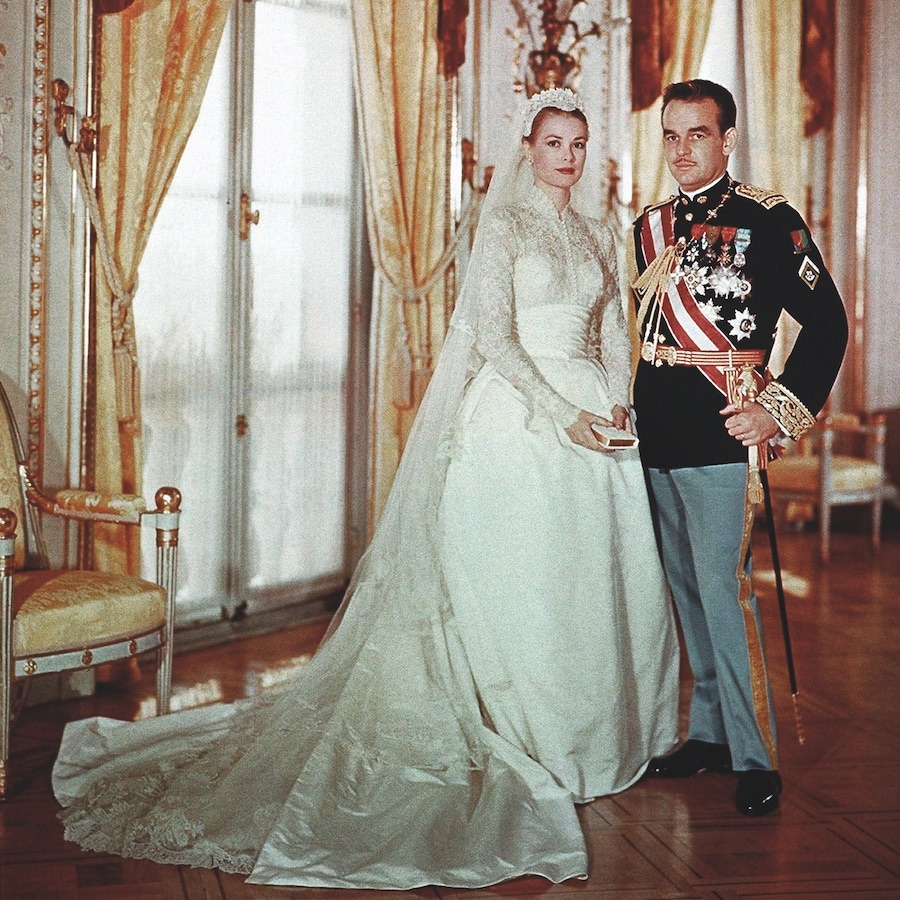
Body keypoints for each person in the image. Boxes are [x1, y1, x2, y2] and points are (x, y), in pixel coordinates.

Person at [52, 88, 679, 889]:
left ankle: (597, 738)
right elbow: (495, 336)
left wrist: (616, 399)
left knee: (592, 580)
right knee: (526, 579)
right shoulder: (507, 227)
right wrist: (563, 414)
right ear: (528, 148)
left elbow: (612, 333)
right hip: (523, 419)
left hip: (597, 419)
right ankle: (527, 738)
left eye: (578, 144)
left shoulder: (598, 233)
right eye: (554, 142)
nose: (567, 156)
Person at [630, 79, 848, 816]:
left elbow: (828, 327)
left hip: (722, 429)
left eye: (697, 134)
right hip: (655, 426)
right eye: (670, 135)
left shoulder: (768, 220)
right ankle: (712, 734)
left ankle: (755, 755)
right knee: (687, 590)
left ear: (727, 139)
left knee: (725, 592)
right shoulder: (649, 227)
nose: (682, 150)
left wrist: (778, 413)